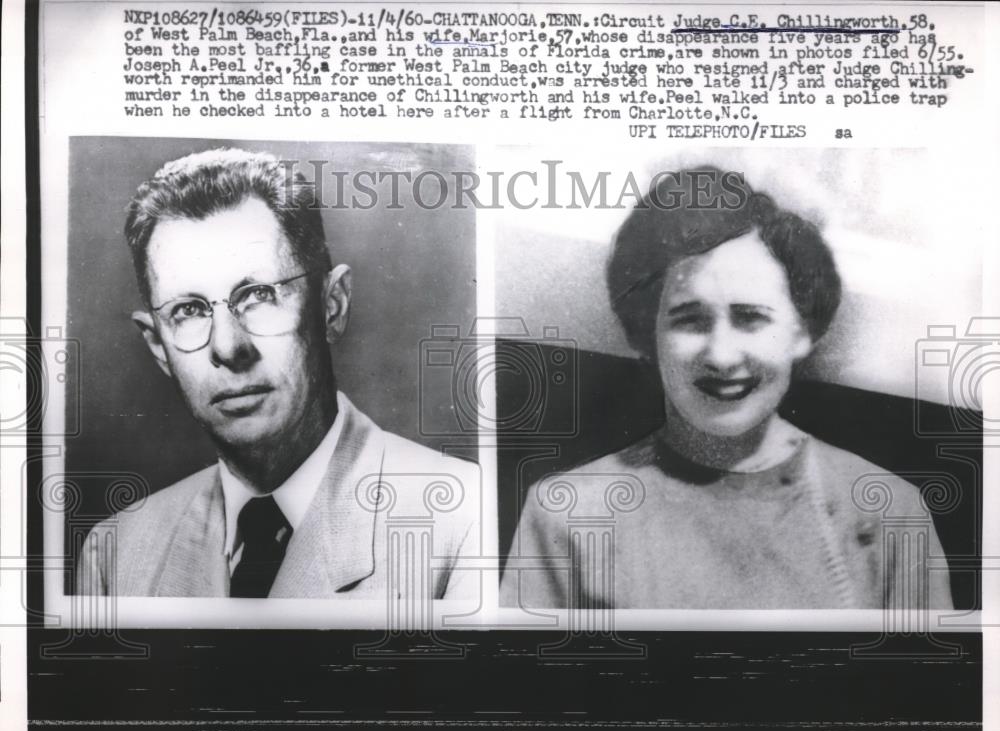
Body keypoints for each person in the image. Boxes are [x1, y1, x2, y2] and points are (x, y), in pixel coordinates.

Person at [501, 167, 953, 610]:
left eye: (751, 317)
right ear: (647, 334)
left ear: (802, 331)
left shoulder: (890, 513)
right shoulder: (567, 515)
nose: (721, 355)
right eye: (689, 319)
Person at [76, 148, 479, 599]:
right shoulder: (116, 555)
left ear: (332, 306)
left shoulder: (463, 517)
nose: (229, 348)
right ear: (158, 346)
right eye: (188, 310)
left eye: (259, 295)